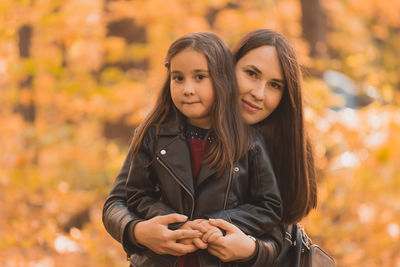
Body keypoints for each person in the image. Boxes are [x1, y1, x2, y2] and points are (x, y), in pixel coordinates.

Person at [102, 29, 317, 266]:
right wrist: (138, 232)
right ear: (224, 70)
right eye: (251, 73)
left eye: (275, 85)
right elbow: (121, 200)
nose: (258, 93)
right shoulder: (159, 131)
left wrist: (253, 250)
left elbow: (275, 228)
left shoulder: (271, 143)